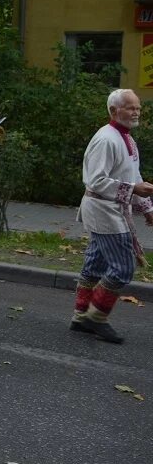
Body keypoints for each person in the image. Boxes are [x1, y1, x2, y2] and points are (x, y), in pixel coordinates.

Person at [71, 89, 153, 344]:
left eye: (137, 107)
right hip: (105, 210)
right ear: (113, 111)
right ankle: (95, 318)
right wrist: (133, 190)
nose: (136, 111)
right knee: (123, 268)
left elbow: (133, 176)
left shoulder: (125, 138)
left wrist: (147, 207)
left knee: (95, 264)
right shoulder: (107, 139)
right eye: (130, 107)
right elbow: (96, 180)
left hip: (111, 208)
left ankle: (80, 315)